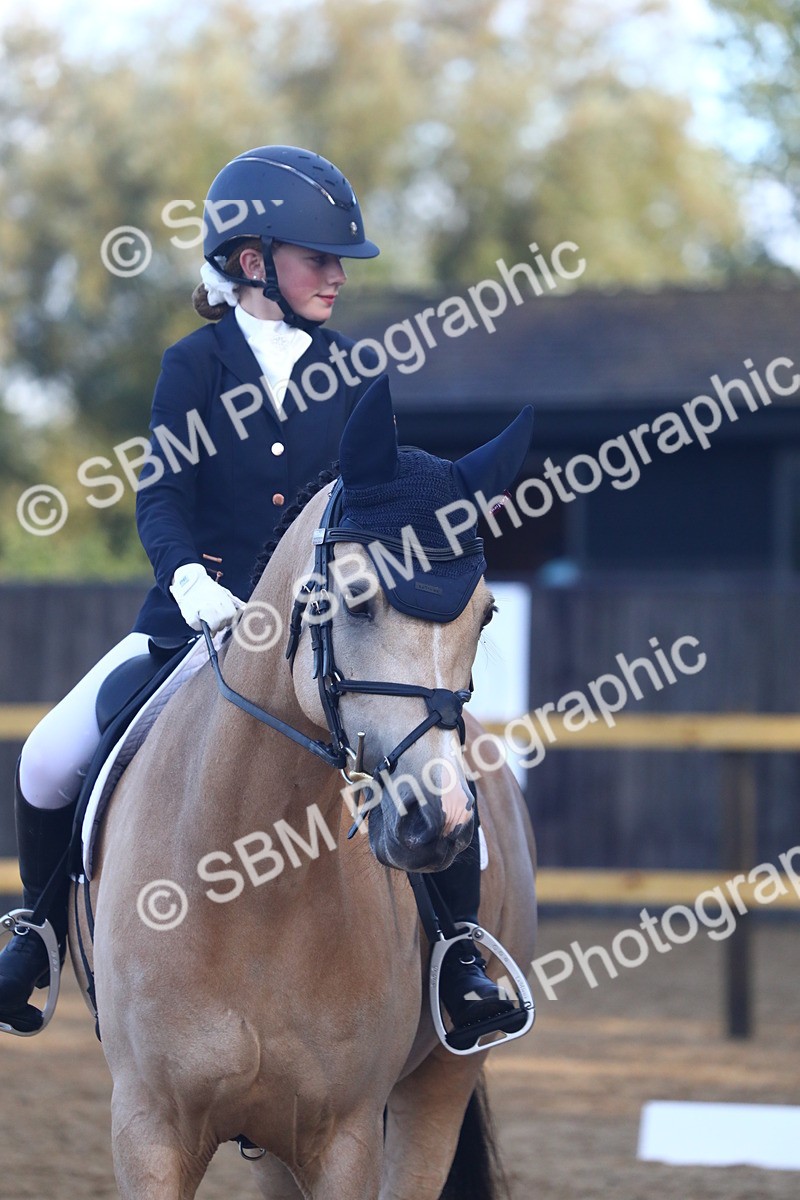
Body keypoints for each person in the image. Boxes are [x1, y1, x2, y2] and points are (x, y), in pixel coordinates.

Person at [0, 145, 517, 1041]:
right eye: (320, 259)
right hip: (189, 623)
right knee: (46, 758)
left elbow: (373, 498)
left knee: (436, 761)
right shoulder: (192, 366)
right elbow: (161, 495)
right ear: (253, 262)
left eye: (338, 265)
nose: (336, 279)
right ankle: (35, 936)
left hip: (315, 637)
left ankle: (456, 955)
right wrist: (192, 582)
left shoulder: (355, 370)